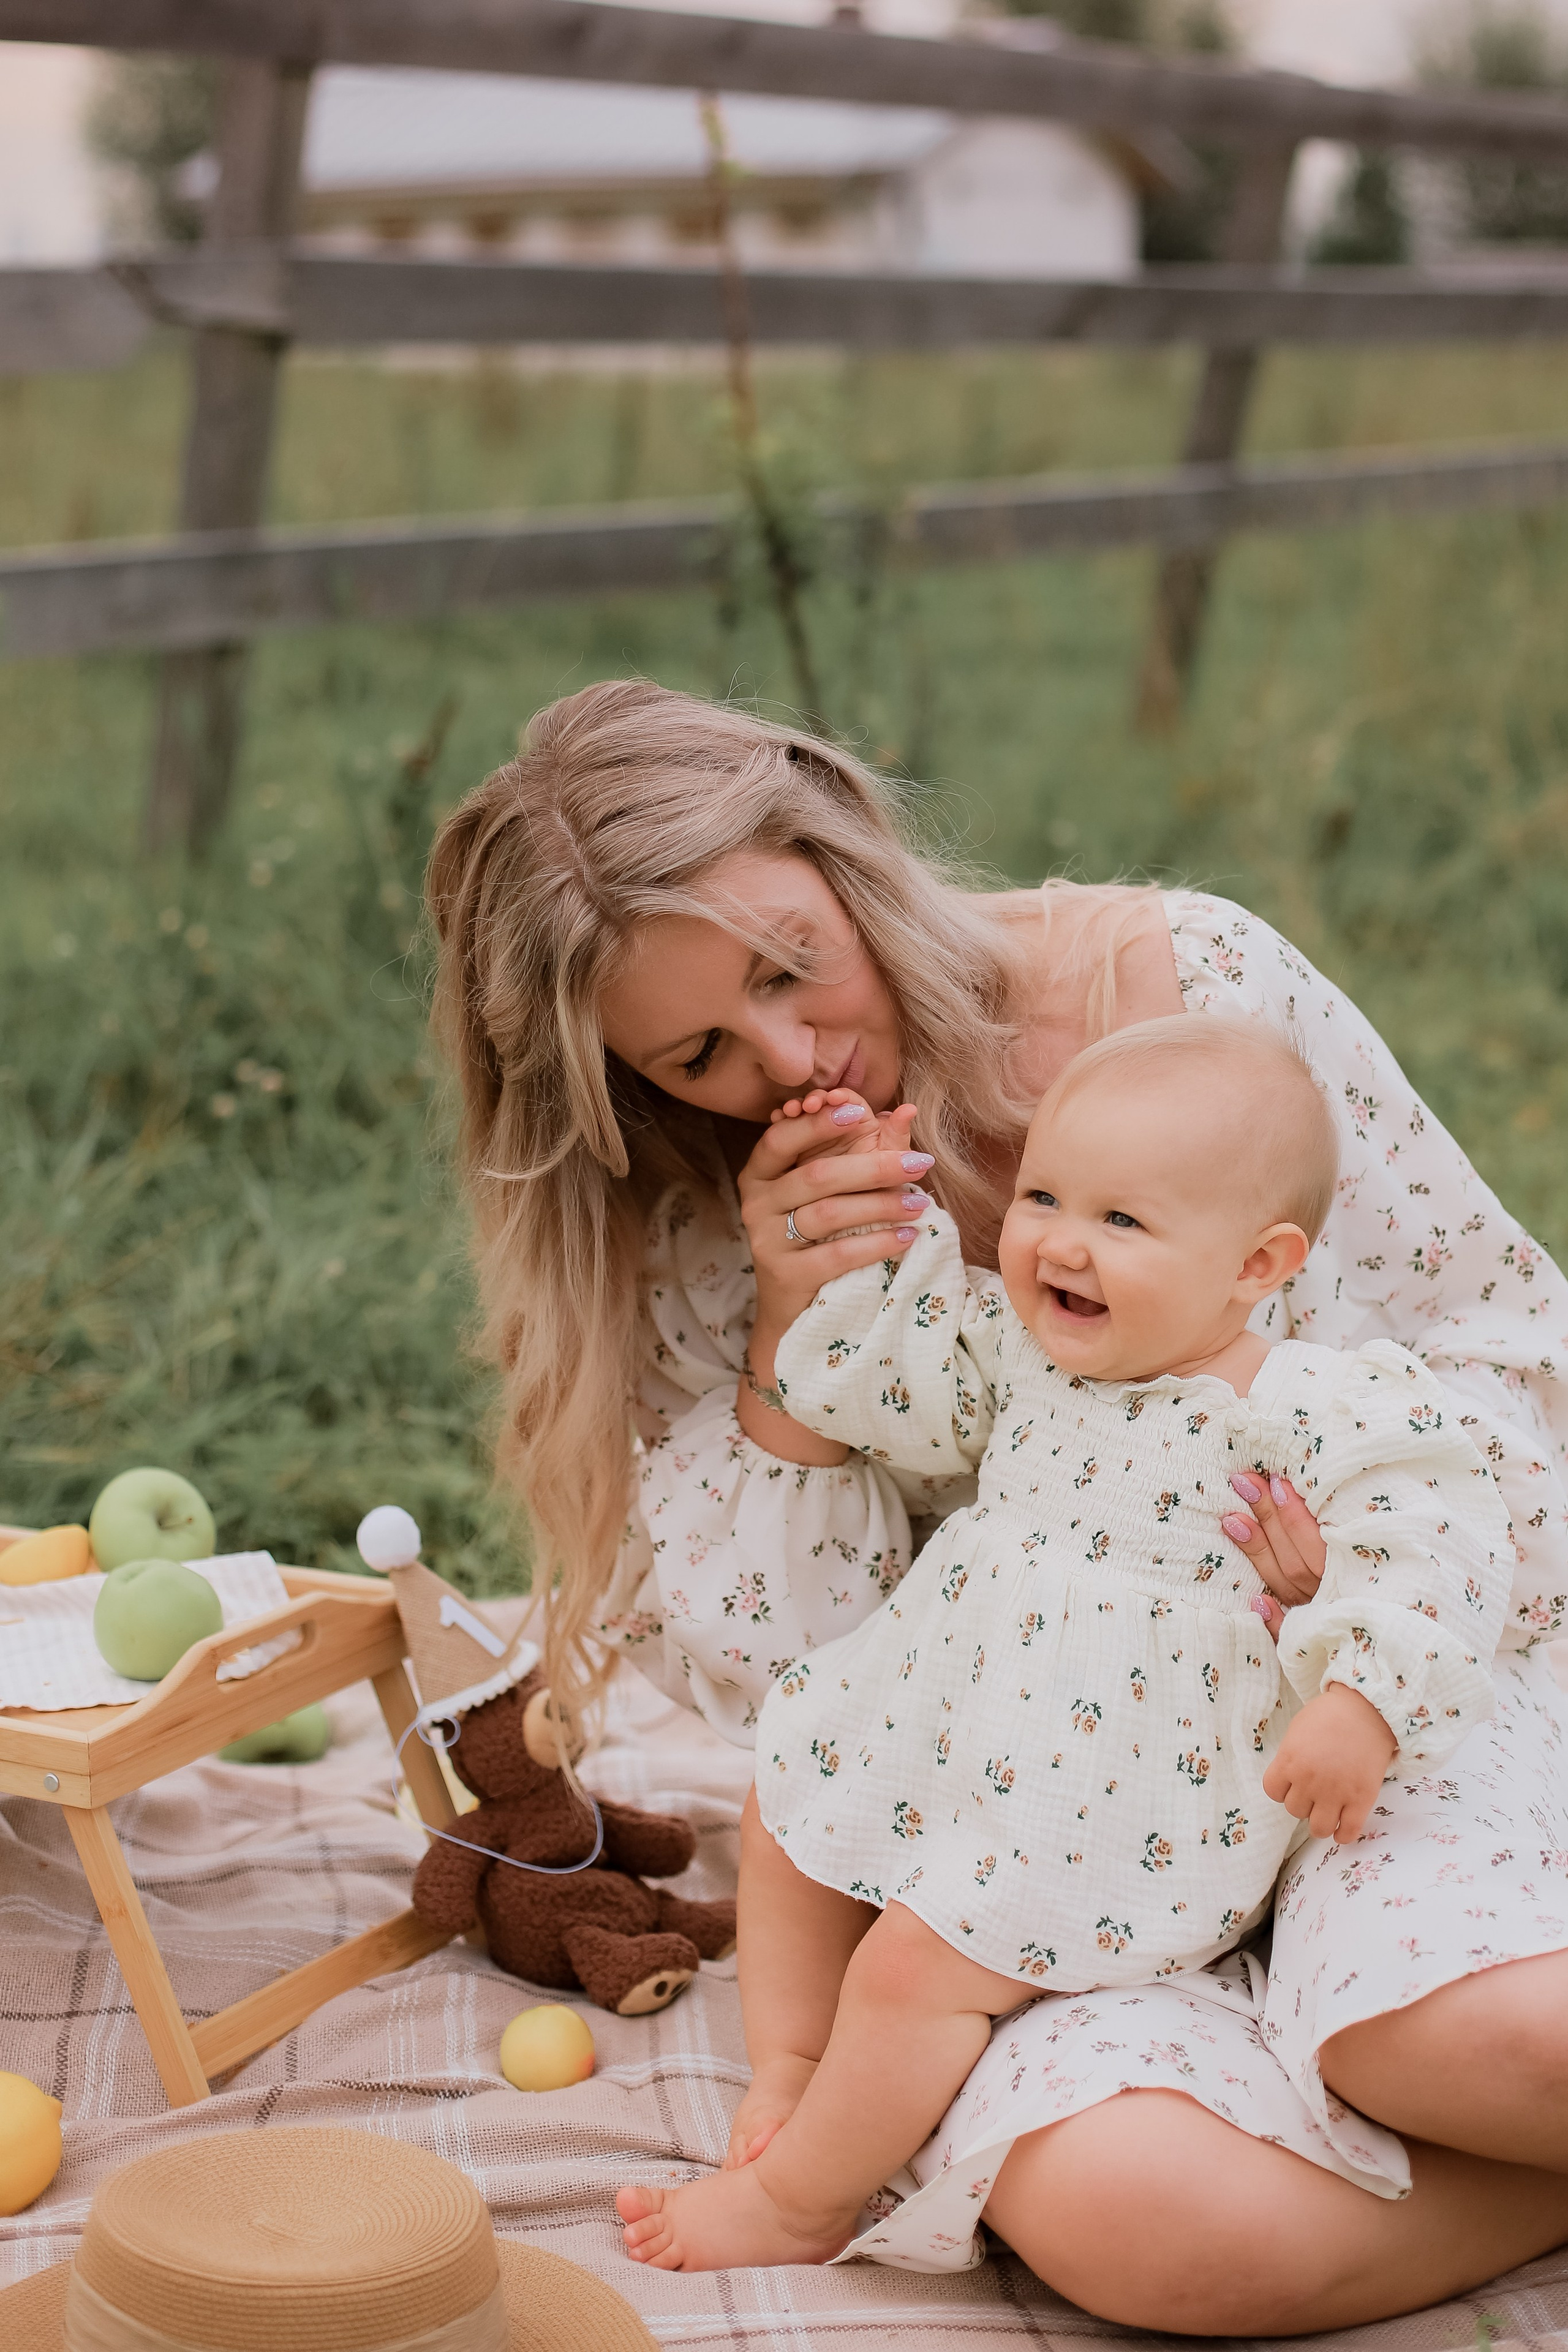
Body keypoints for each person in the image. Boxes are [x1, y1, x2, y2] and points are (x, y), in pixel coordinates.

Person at [426, 678, 1568, 2329]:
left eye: (789, 969)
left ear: (839, 855)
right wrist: (786, 1334)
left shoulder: (1183, 1001)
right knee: (1132, 2227)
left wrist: (1329, 1609)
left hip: (1363, 1714)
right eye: (698, 1052)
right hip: (1043, 1832)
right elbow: (797, 1687)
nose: (792, 1058)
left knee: (1467, 2035)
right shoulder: (690, 1214)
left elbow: (1511, 1379)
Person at [614, 1018, 1512, 2271]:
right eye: (1041, 1196)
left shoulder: (1307, 1400)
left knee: (911, 1974)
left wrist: (1356, 1699)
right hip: (963, 1719)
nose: (1057, 1241)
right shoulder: (1028, 1357)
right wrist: (879, 1240)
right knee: (784, 1796)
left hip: (1119, 1792)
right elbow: (900, 1386)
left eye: (1123, 1223)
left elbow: (1433, 1539)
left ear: (1256, 1264)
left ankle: (801, 2202)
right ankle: (794, 2071)